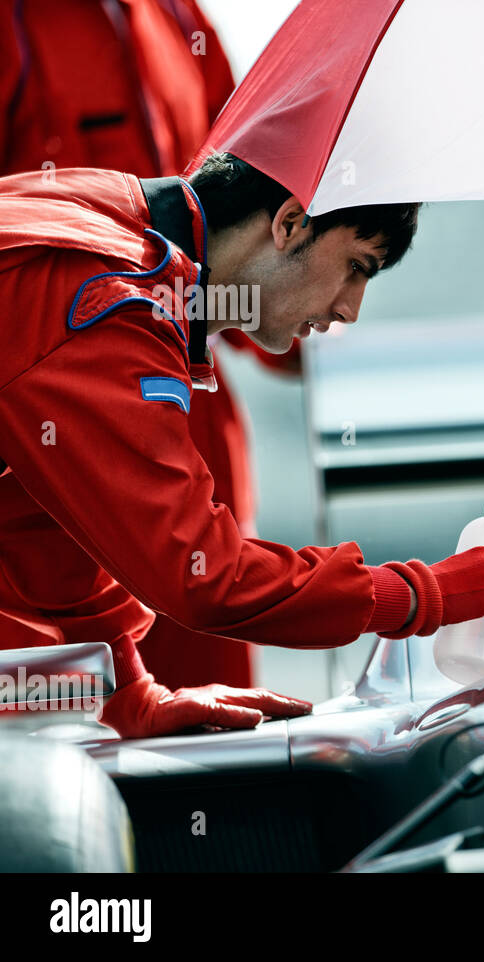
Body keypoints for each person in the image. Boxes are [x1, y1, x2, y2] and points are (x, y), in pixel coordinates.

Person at [0, 152, 484, 737]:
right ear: (289, 223)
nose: (349, 309)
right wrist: (424, 594)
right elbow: (205, 576)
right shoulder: (108, 298)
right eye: (356, 267)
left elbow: (38, 520)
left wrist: (129, 692)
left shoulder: (95, 213)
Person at [0, 0, 294, 688]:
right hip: (50, 455)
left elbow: (243, 209)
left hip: (190, 417)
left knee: (215, 716)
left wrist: (293, 303)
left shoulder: (177, 16)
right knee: (62, 738)